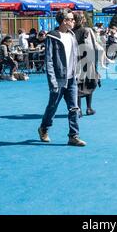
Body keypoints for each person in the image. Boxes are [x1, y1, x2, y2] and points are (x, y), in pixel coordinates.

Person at [38, 9, 86, 147]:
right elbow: (49, 61)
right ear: (64, 21)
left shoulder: (72, 35)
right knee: (52, 106)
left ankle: (73, 136)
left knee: (74, 108)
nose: (74, 21)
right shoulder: (52, 37)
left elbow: (75, 55)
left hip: (72, 79)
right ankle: (44, 128)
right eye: (71, 19)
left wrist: (77, 73)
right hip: (58, 79)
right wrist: (52, 81)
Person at [73, 12, 100, 117]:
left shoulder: (70, 32)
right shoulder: (86, 30)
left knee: (78, 85)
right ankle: (88, 108)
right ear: (82, 20)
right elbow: (92, 47)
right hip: (87, 60)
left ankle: (79, 110)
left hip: (75, 60)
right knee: (89, 83)